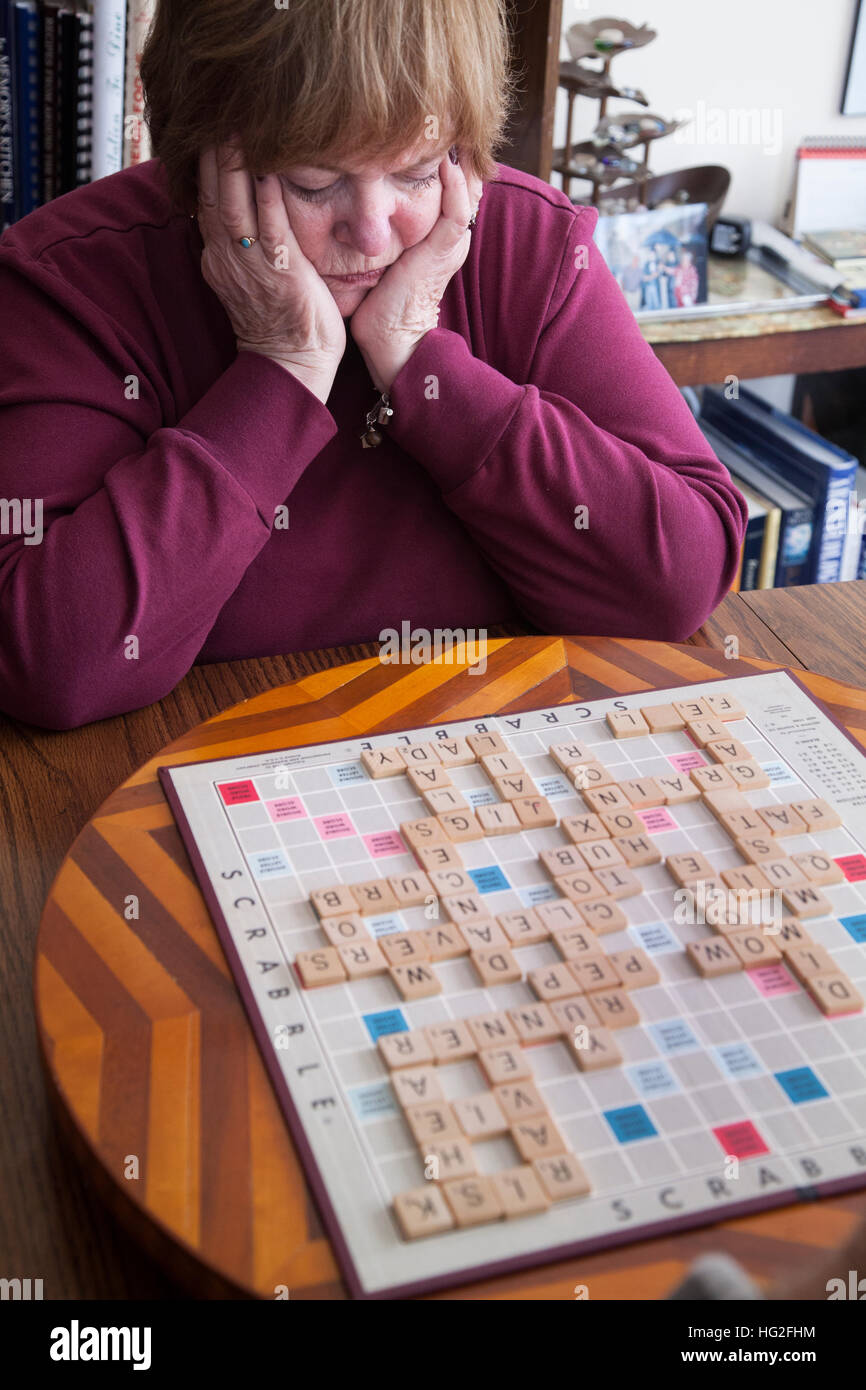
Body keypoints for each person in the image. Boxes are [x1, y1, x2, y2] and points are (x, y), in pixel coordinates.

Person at [0, 0, 747, 730]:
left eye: (418, 172)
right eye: (314, 182)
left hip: (490, 767)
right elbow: (51, 665)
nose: (372, 232)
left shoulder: (530, 244)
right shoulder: (71, 279)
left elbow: (676, 586)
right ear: (203, 158)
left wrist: (421, 359)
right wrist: (282, 367)